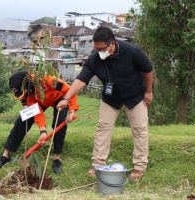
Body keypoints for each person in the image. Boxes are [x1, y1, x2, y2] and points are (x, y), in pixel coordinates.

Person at [57, 26, 153, 181]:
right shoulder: (95, 58)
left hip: (135, 96)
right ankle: (97, 165)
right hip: (111, 98)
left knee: (140, 130)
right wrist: (66, 98)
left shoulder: (132, 51)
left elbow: (148, 70)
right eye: (96, 48)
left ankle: (139, 167)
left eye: (102, 48)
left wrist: (148, 92)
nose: (99, 51)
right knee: (103, 129)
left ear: (112, 44)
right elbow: (82, 79)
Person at [0, 71, 79, 174]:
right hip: (40, 101)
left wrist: (72, 110)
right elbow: (36, 110)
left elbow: (70, 90)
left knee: (60, 121)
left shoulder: (47, 80)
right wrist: (42, 131)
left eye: (24, 92)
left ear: (27, 85)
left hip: (60, 98)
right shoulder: (26, 95)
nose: (23, 95)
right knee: (22, 120)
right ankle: (5, 155)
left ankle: (57, 158)